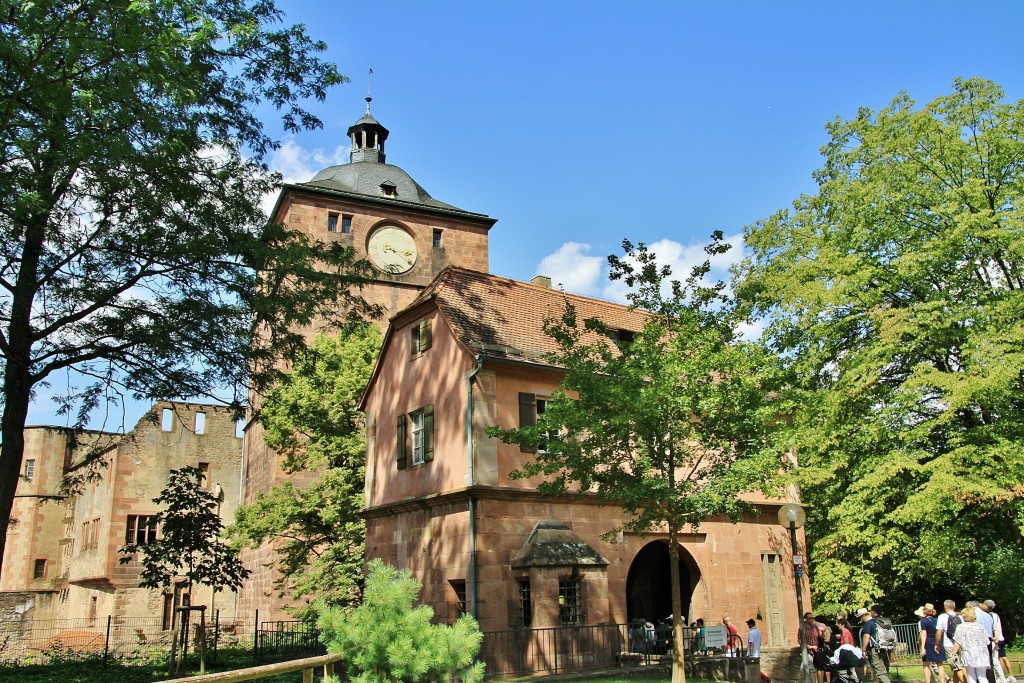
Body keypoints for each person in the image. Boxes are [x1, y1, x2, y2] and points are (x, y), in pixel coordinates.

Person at [952, 605, 991, 683]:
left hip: (968, 653)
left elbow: (958, 641)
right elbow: (987, 642)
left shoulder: (960, 627)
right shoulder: (980, 627)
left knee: (971, 676)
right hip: (981, 654)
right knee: (982, 676)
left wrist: (953, 653)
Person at [859, 606, 892, 683]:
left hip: (876, 649)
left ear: (874, 612)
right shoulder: (885, 621)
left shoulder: (870, 623)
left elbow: (866, 637)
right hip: (887, 648)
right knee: (885, 671)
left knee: (881, 673)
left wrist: (863, 650)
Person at [937, 600, 967, 683]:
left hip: (949, 644)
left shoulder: (942, 617)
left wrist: (937, 644)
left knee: (957, 667)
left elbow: (939, 633)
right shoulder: (961, 616)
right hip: (961, 644)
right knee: (958, 666)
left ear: (945, 606)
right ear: (954, 607)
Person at [917, 603, 948, 683]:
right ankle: (942, 681)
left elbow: (923, 634)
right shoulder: (937, 620)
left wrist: (922, 647)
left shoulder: (923, 621)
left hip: (928, 642)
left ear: (925, 611)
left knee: (926, 664)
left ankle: (928, 681)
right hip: (938, 642)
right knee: (940, 664)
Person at [986, 601, 1015, 683]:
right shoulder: (996, 615)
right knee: (1003, 657)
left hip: (996, 638)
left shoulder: (990, 615)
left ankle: (1001, 677)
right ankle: (1010, 675)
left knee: (997, 659)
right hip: (1001, 637)